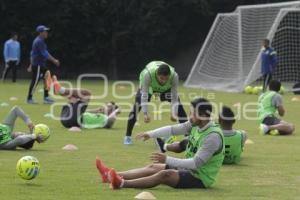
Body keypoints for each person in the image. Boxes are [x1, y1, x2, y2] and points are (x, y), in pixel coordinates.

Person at [96, 98, 225, 189]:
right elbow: (174, 129)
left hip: (200, 177)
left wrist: (167, 159)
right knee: (153, 167)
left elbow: (195, 163)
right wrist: (150, 133)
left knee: (164, 175)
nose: (189, 116)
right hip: (189, 169)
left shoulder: (212, 136)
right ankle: (108, 175)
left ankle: (122, 183)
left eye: (192, 113)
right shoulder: (195, 125)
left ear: (203, 116)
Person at [156, 106, 247, 164]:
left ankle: (164, 146)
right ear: (234, 121)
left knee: (188, 141)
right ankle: (166, 144)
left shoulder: (214, 133)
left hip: (213, 159)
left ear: (219, 120)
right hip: (231, 160)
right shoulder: (242, 135)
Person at [124, 61, 187, 145]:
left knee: (180, 108)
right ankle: (127, 136)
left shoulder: (174, 76)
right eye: (161, 78)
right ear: (157, 74)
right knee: (136, 107)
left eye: (166, 79)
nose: (163, 81)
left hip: (165, 89)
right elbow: (144, 96)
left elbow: (174, 97)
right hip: (149, 87)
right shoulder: (147, 75)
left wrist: (174, 112)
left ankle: (188, 137)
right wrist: (145, 113)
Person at [51, 76, 120, 129]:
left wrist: (117, 111)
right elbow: (84, 111)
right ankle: (57, 89)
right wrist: (96, 110)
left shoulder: (105, 119)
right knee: (74, 98)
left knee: (87, 94)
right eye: (106, 105)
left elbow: (111, 121)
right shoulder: (98, 115)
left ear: (111, 112)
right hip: (66, 119)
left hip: (74, 121)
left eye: (108, 107)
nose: (105, 106)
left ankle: (60, 90)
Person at [27, 25, 60, 104]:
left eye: (46, 31)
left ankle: (46, 97)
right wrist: (54, 60)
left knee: (47, 79)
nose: (47, 33)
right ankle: (29, 98)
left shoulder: (40, 41)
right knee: (35, 81)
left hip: (41, 64)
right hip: (38, 65)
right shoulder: (38, 41)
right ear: (41, 33)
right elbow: (45, 54)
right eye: (45, 31)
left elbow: (33, 53)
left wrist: (30, 64)